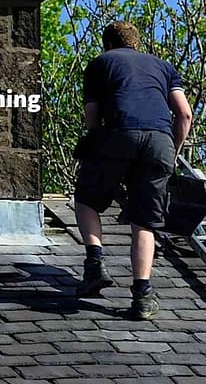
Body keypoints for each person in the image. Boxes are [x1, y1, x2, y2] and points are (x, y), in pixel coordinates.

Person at [72, 21, 193, 320]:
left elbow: (92, 115)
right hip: (161, 141)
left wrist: (95, 144)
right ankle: (142, 296)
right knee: (144, 222)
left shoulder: (101, 63)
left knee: (87, 198)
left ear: (108, 44)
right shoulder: (164, 67)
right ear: (137, 43)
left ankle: (94, 266)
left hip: (119, 133)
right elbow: (184, 113)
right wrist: (173, 152)